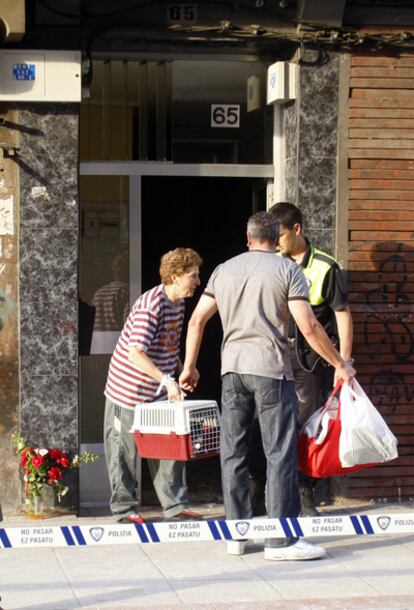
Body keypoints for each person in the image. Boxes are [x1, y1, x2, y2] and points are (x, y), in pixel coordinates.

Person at [179, 211, 355, 561]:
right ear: (276, 240)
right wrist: (340, 363)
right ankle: (280, 541)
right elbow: (309, 326)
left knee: (234, 452)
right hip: (272, 371)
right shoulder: (287, 269)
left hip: (232, 371)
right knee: (279, 454)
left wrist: (190, 367)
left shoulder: (223, 270)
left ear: (247, 239)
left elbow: (197, 319)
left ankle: (237, 535)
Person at [104, 247, 203, 524]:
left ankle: (174, 506)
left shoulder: (179, 303)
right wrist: (166, 380)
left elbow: (169, 345)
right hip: (128, 391)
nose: (197, 281)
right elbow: (135, 353)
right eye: (193, 276)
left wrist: (185, 369)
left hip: (158, 391)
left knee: (167, 447)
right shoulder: (152, 305)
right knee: (123, 450)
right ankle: (124, 510)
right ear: (174, 277)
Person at [267, 201, 353, 516]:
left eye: (280, 235)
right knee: (270, 422)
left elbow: (342, 315)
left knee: (306, 424)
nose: (276, 242)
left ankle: (305, 493)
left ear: (297, 230)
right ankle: (264, 488)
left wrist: (342, 363)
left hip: (311, 358)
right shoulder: (272, 262)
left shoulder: (325, 266)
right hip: (276, 354)